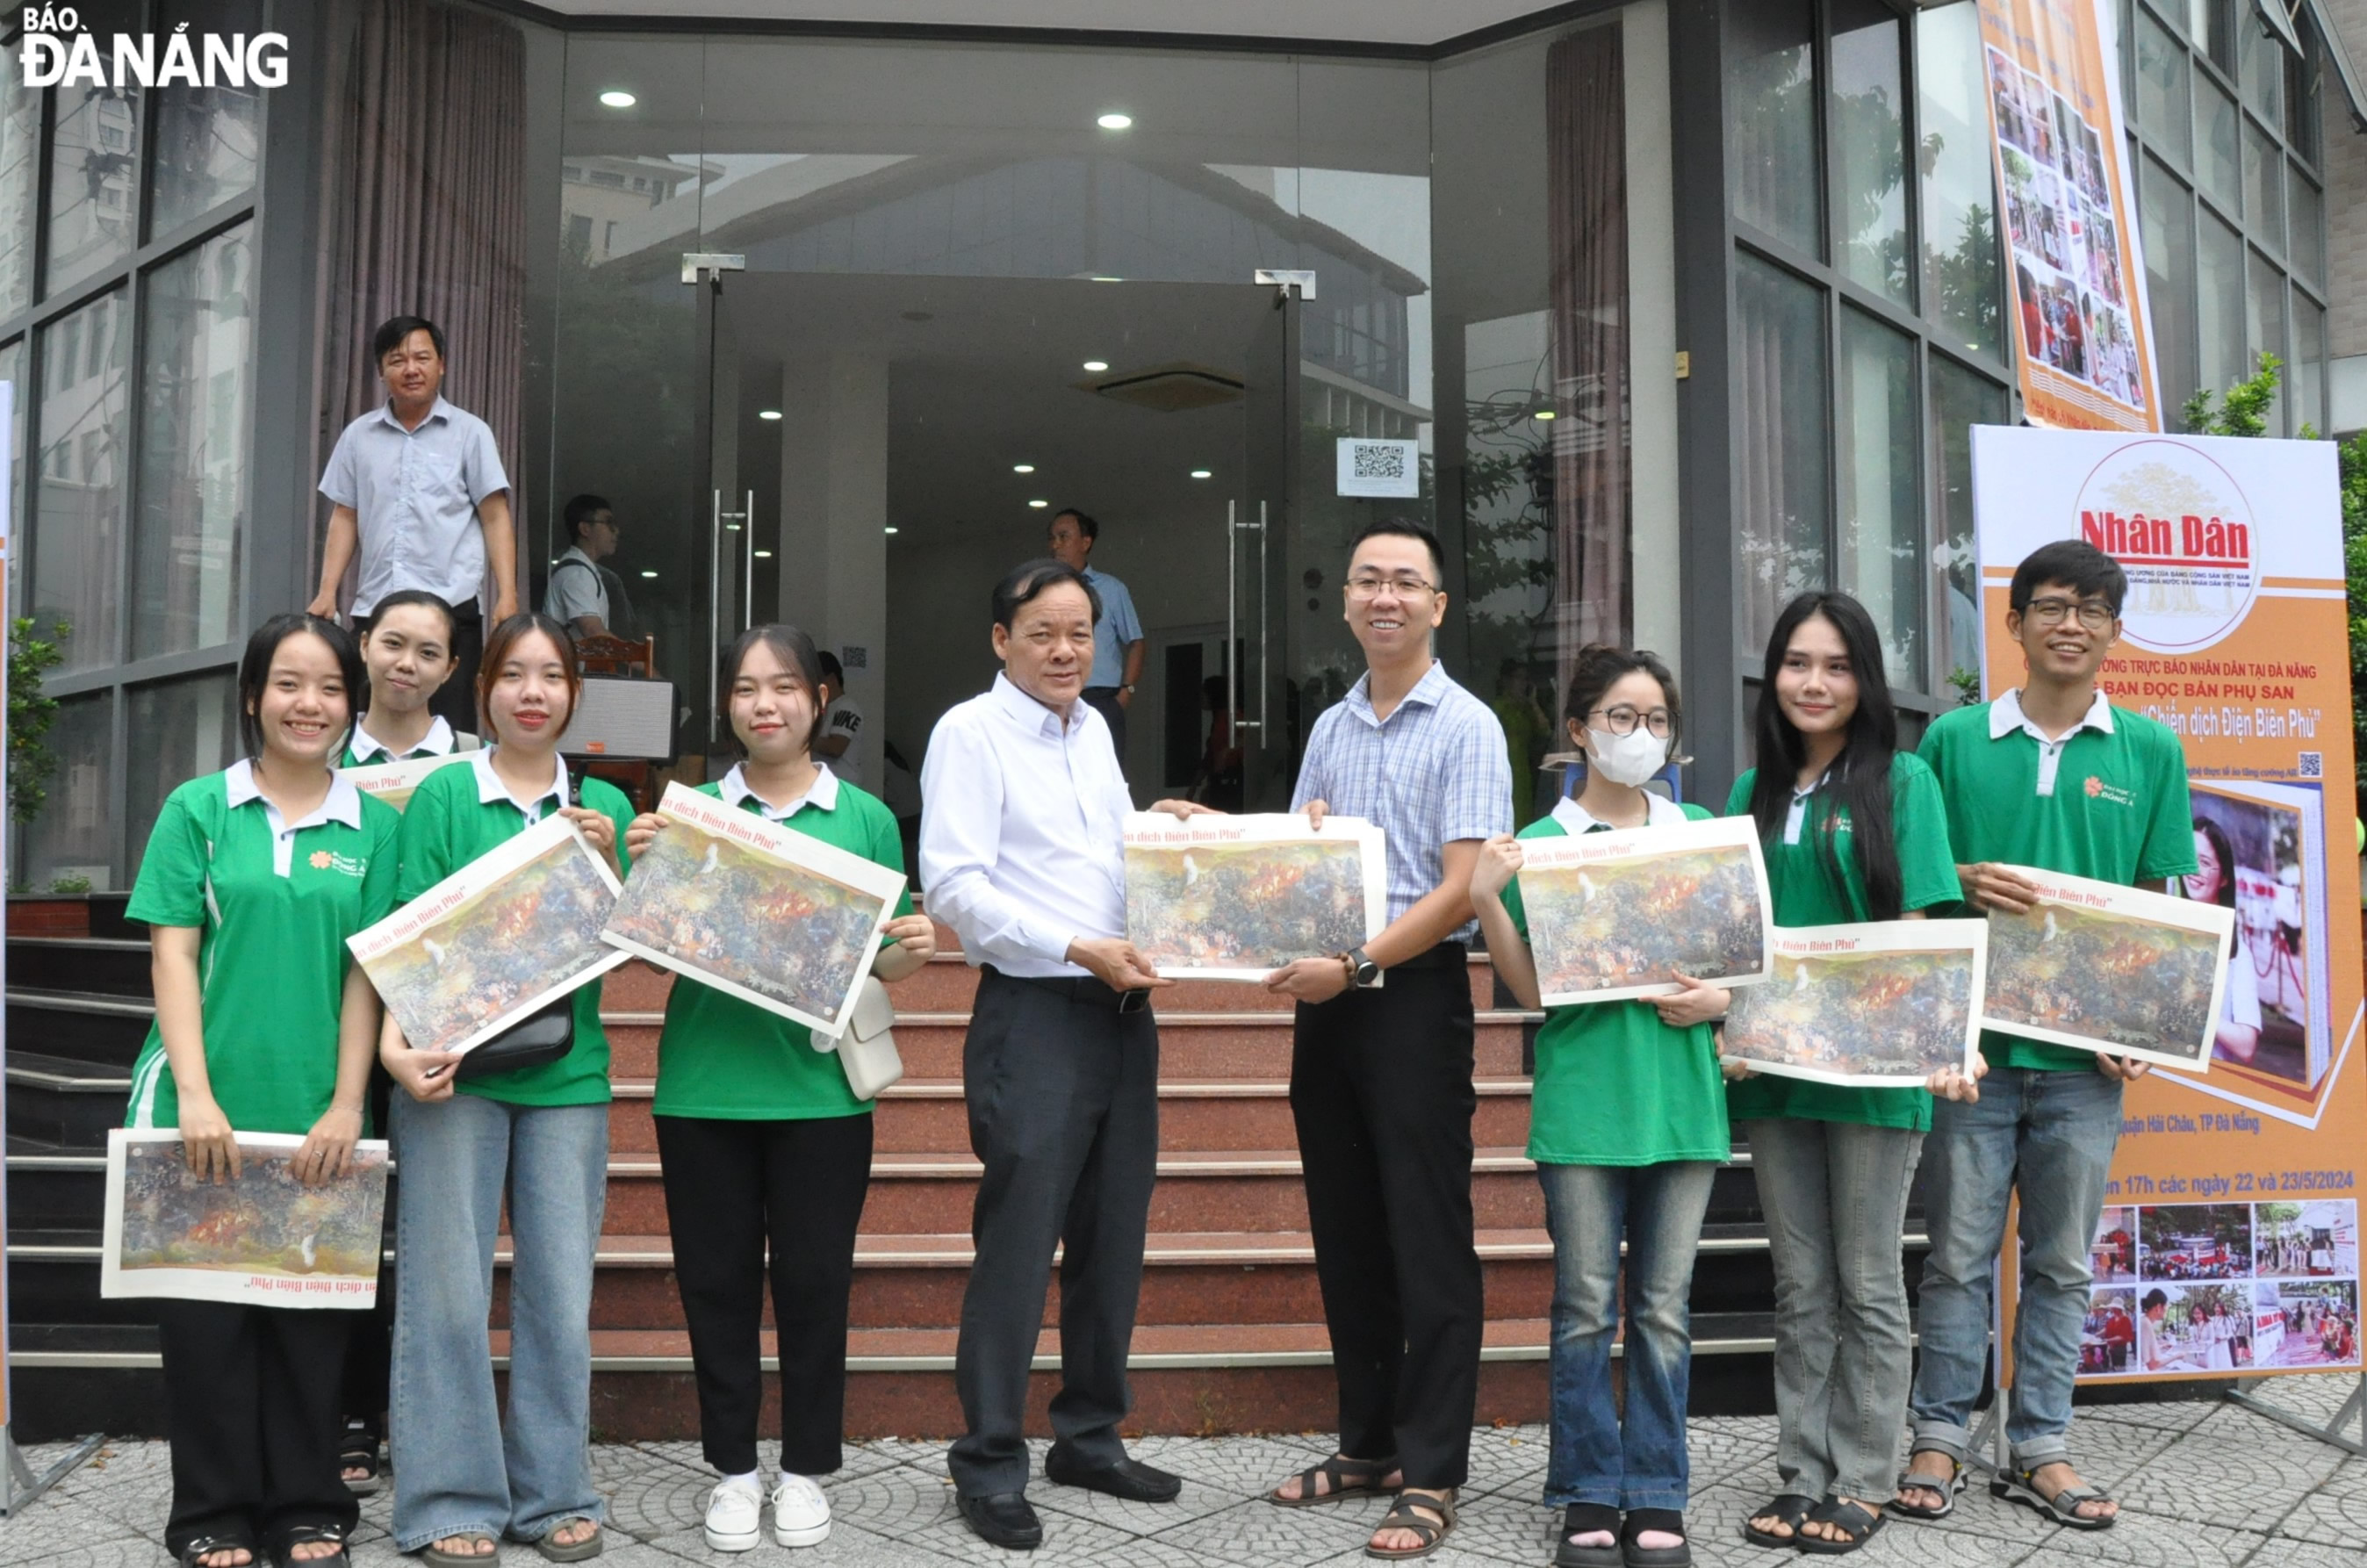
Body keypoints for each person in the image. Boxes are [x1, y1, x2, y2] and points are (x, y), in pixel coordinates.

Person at [1899, 539, 2196, 1533]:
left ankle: (2039, 1446)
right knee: (1954, 1256)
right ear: (2014, 621)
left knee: (2062, 1264)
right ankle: (1936, 1433)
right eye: (2052, 605)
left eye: (2093, 609)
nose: (2071, 623)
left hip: (2082, 1066)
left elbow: (2155, 908)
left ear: (2114, 630)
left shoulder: (2150, 750)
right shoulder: (1948, 743)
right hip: (1971, 1058)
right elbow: (1919, 895)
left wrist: (2141, 1024)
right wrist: (1963, 881)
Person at [625, 624, 937, 1553]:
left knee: (813, 1286)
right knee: (713, 1286)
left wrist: (909, 954)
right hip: (703, 1088)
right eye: (745, 688)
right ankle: (729, 1468)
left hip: (820, 1096)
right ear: (727, 704)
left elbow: (878, 959)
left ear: (818, 696)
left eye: (784, 686)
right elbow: (645, 950)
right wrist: (641, 870)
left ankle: (804, 1468)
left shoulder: (866, 819)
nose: (764, 704)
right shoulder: (689, 815)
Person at [917, 558, 1209, 1550]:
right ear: (1000, 639)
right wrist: (1073, 944)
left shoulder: (1093, 730)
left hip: (1123, 1011)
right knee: (1017, 1242)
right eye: (1042, 632)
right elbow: (953, 886)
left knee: (1111, 1236)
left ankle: (1088, 1433)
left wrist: (1161, 830)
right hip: (1035, 1011)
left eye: (1079, 632)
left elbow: (1100, 852)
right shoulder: (969, 732)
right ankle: (988, 1459)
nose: (1064, 650)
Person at [125, 613, 399, 1568]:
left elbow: (368, 974)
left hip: (315, 1106)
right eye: (288, 683)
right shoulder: (198, 810)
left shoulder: (379, 826)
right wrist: (195, 1095)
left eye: (328, 687)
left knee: (310, 1322)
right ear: (252, 696)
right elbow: (172, 952)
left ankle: (306, 1502)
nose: (309, 704)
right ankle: (209, 1510)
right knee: (207, 1325)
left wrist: (346, 1102)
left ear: (350, 705)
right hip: (202, 1102)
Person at [1260, 520, 1511, 1562]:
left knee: (1424, 1234)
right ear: (1348, 598)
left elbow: (1459, 888)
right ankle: (1365, 1444)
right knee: (1346, 1227)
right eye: (1367, 579)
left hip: (1407, 995)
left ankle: (1433, 1468)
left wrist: (1358, 965)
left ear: (1437, 605)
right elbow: (1296, 859)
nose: (1384, 597)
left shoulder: (1467, 725)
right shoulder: (1329, 728)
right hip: (1328, 1003)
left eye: (1406, 581)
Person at [1723, 593, 1979, 1556]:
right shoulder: (1751, 791)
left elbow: (1914, 940)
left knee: (1868, 1278)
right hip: (1775, 1076)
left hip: (1873, 1079)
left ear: (1863, 681)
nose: (1814, 683)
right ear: (1772, 675)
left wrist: (1938, 1040)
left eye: (1835, 665)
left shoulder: (1901, 781)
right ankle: (1801, 1469)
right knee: (1800, 1284)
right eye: (1796, 662)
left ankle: (1864, 1473)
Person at [377, 613, 632, 1565]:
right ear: (480, 687)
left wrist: (611, 865)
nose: (534, 690)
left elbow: (644, 941)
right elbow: (407, 929)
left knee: (558, 1294)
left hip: (570, 1074)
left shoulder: (603, 799)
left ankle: (554, 1491)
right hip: (454, 1071)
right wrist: (401, 1048)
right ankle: (448, 1499)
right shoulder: (445, 794)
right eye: (514, 673)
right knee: (444, 1293)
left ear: (573, 693)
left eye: (552, 675)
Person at [1470, 644, 1722, 1568]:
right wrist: (1485, 901)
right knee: (1583, 1305)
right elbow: (1530, 986)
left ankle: (1656, 1489)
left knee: (1661, 1305)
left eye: (1655, 719)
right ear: (1577, 729)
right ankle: (1585, 1487)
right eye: (1619, 717)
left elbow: (1741, 967)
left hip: (1683, 1099)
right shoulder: (1538, 846)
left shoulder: (1697, 829)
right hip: (1583, 1102)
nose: (1639, 734)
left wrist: (1722, 1001)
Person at [312, 315, 517, 735]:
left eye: (422, 357)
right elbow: (345, 515)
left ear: (441, 364)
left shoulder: (470, 433)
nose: (411, 369)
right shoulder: (358, 436)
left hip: (451, 608)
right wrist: (327, 592)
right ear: (382, 370)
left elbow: (495, 515)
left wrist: (508, 595)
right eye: (397, 360)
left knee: (448, 732)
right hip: (377, 609)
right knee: (364, 733)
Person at [339, 589, 477, 766]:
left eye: (428, 653)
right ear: (365, 645)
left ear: (449, 669)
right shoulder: (322, 755)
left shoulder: (481, 761)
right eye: (393, 644)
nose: (407, 664)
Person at [1046, 509, 1142, 755]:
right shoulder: (1044, 589)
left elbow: (1136, 641)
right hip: (1054, 696)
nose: (1056, 544)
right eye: (1053, 537)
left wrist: (1125, 692)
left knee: (1106, 775)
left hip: (1102, 698)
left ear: (1085, 542)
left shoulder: (1111, 589)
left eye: (1064, 536)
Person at [2185, 817, 2264, 1064]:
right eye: (2190, 858)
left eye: (2206, 863)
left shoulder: (2237, 953)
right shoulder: (2166, 931)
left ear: (2224, 878)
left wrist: (2196, 1005)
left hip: (2208, 1083)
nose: (2195, 871)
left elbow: (2246, 1045)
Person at [543, 495, 630, 642]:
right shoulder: (576, 574)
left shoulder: (583, 570)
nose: (616, 531)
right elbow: (592, 631)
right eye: (608, 522)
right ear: (585, 529)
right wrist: (640, 661)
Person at [813, 651, 865, 788]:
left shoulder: (847, 707)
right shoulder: (822, 708)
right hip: (823, 785)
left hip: (843, 785)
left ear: (831, 679)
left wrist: (801, 739)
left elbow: (836, 747)